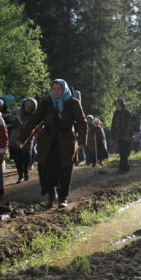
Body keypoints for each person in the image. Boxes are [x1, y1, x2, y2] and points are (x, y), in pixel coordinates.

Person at [17, 79, 87, 209]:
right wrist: (22, 138)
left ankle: (62, 198)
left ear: (64, 90)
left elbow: (82, 123)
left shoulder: (73, 103)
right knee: (44, 169)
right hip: (47, 142)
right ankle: (51, 195)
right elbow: (34, 121)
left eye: (59, 89)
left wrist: (82, 140)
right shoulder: (46, 102)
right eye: (54, 89)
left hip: (65, 141)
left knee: (64, 170)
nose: (56, 92)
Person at [9, 99, 38, 183]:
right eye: (26, 106)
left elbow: (39, 127)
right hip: (15, 137)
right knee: (17, 159)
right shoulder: (17, 111)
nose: (27, 108)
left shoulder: (35, 116)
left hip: (27, 139)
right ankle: (20, 175)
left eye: (30, 107)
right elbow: (9, 117)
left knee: (26, 159)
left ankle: (25, 171)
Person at [111, 98, 134, 172]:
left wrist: (129, 135)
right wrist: (112, 133)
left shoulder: (127, 112)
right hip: (118, 135)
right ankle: (123, 167)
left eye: (117, 103)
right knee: (121, 151)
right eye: (116, 104)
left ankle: (123, 168)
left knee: (124, 151)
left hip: (125, 135)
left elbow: (130, 124)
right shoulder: (116, 112)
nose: (116, 105)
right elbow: (113, 123)